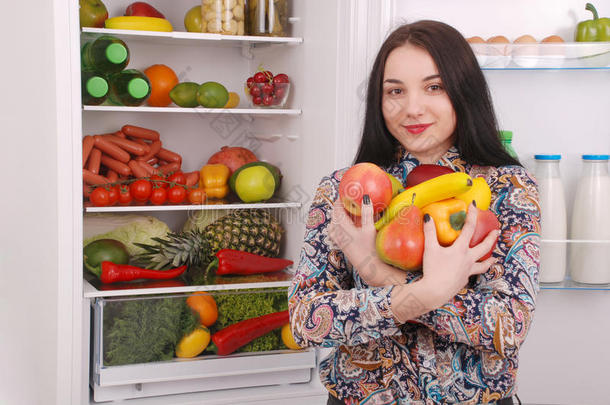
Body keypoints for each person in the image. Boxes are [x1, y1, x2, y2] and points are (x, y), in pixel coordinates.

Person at [288, 20, 540, 405]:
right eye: (395, 91)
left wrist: (379, 273)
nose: (413, 108)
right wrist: (427, 292)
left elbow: (508, 324)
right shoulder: (345, 190)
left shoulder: (509, 189)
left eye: (434, 87)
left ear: (463, 91)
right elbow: (307, 320)